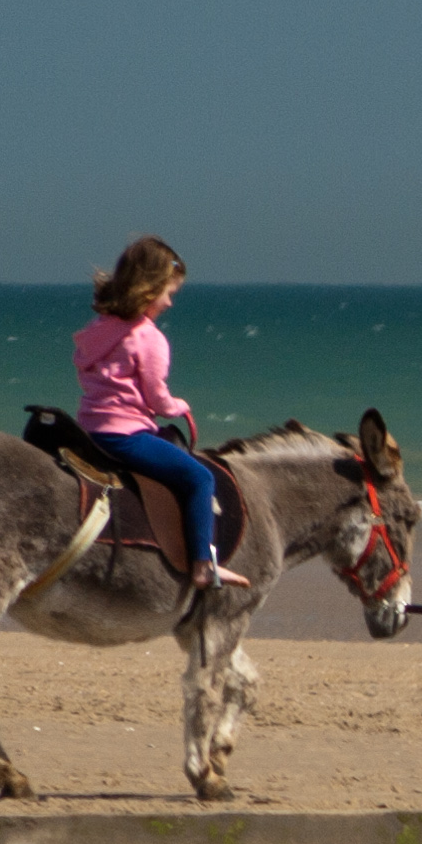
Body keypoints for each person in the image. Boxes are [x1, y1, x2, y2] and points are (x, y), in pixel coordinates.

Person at [74, 235, 248, 588]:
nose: (169, 303)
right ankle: (203, 565)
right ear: (148, 289)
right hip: (126, 436)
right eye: (168, 293)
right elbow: (157, 400)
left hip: (89, 429)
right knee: (200, 478)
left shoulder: (97, 330)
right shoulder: (148, 337)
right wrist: (179, 406)